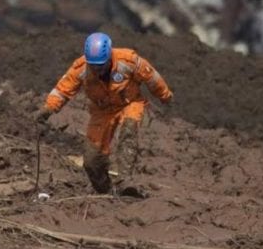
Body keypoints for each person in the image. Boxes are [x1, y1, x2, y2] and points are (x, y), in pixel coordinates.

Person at [35, 32, 173, 198]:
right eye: (94, 65)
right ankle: (106, 192)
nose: (98, 70)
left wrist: (164, 95)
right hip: (101, 111)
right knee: (92, 160)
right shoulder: (81, 69)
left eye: (101, 65)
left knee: (128, 131)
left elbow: (152, 77)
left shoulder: (127, 60)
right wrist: (48, 109)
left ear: (109, 57)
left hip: (129, 104)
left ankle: (125, 182)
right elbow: (62, 90)